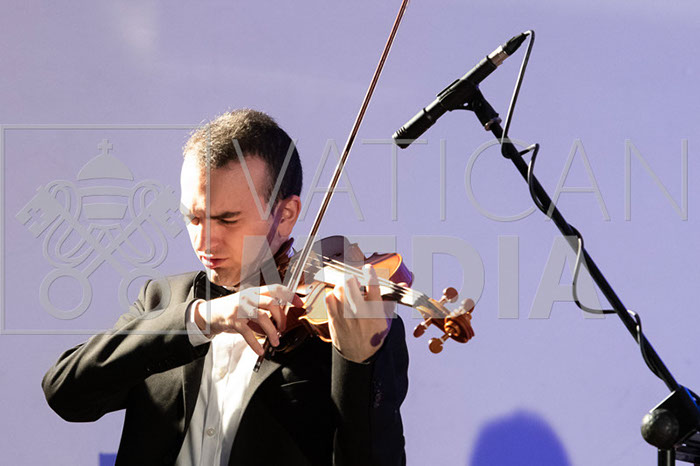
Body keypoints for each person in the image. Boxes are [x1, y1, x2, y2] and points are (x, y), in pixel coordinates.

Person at [42, 109, 409, 465]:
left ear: (286, 215)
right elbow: (65, 394)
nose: (205, 241)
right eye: (193, 217)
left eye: (227, 220)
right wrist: (200, 319)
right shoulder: (163, 300)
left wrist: (357, 364)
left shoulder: (346, 322)